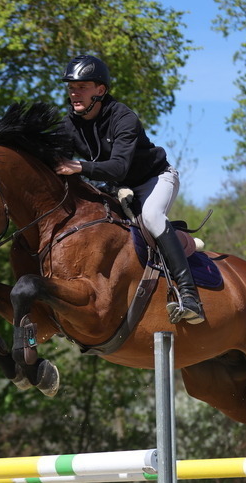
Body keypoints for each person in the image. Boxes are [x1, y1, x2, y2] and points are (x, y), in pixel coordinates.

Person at [53, 54, 205, 325]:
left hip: (155, 180)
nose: (74, 93)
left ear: (100, 90)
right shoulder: (69, 124)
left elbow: (119, 167)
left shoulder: (123, 118)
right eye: (71, 87)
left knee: (152, 217)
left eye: (82, 87)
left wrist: (79, 166)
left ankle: (189, 295)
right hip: (116, 187)